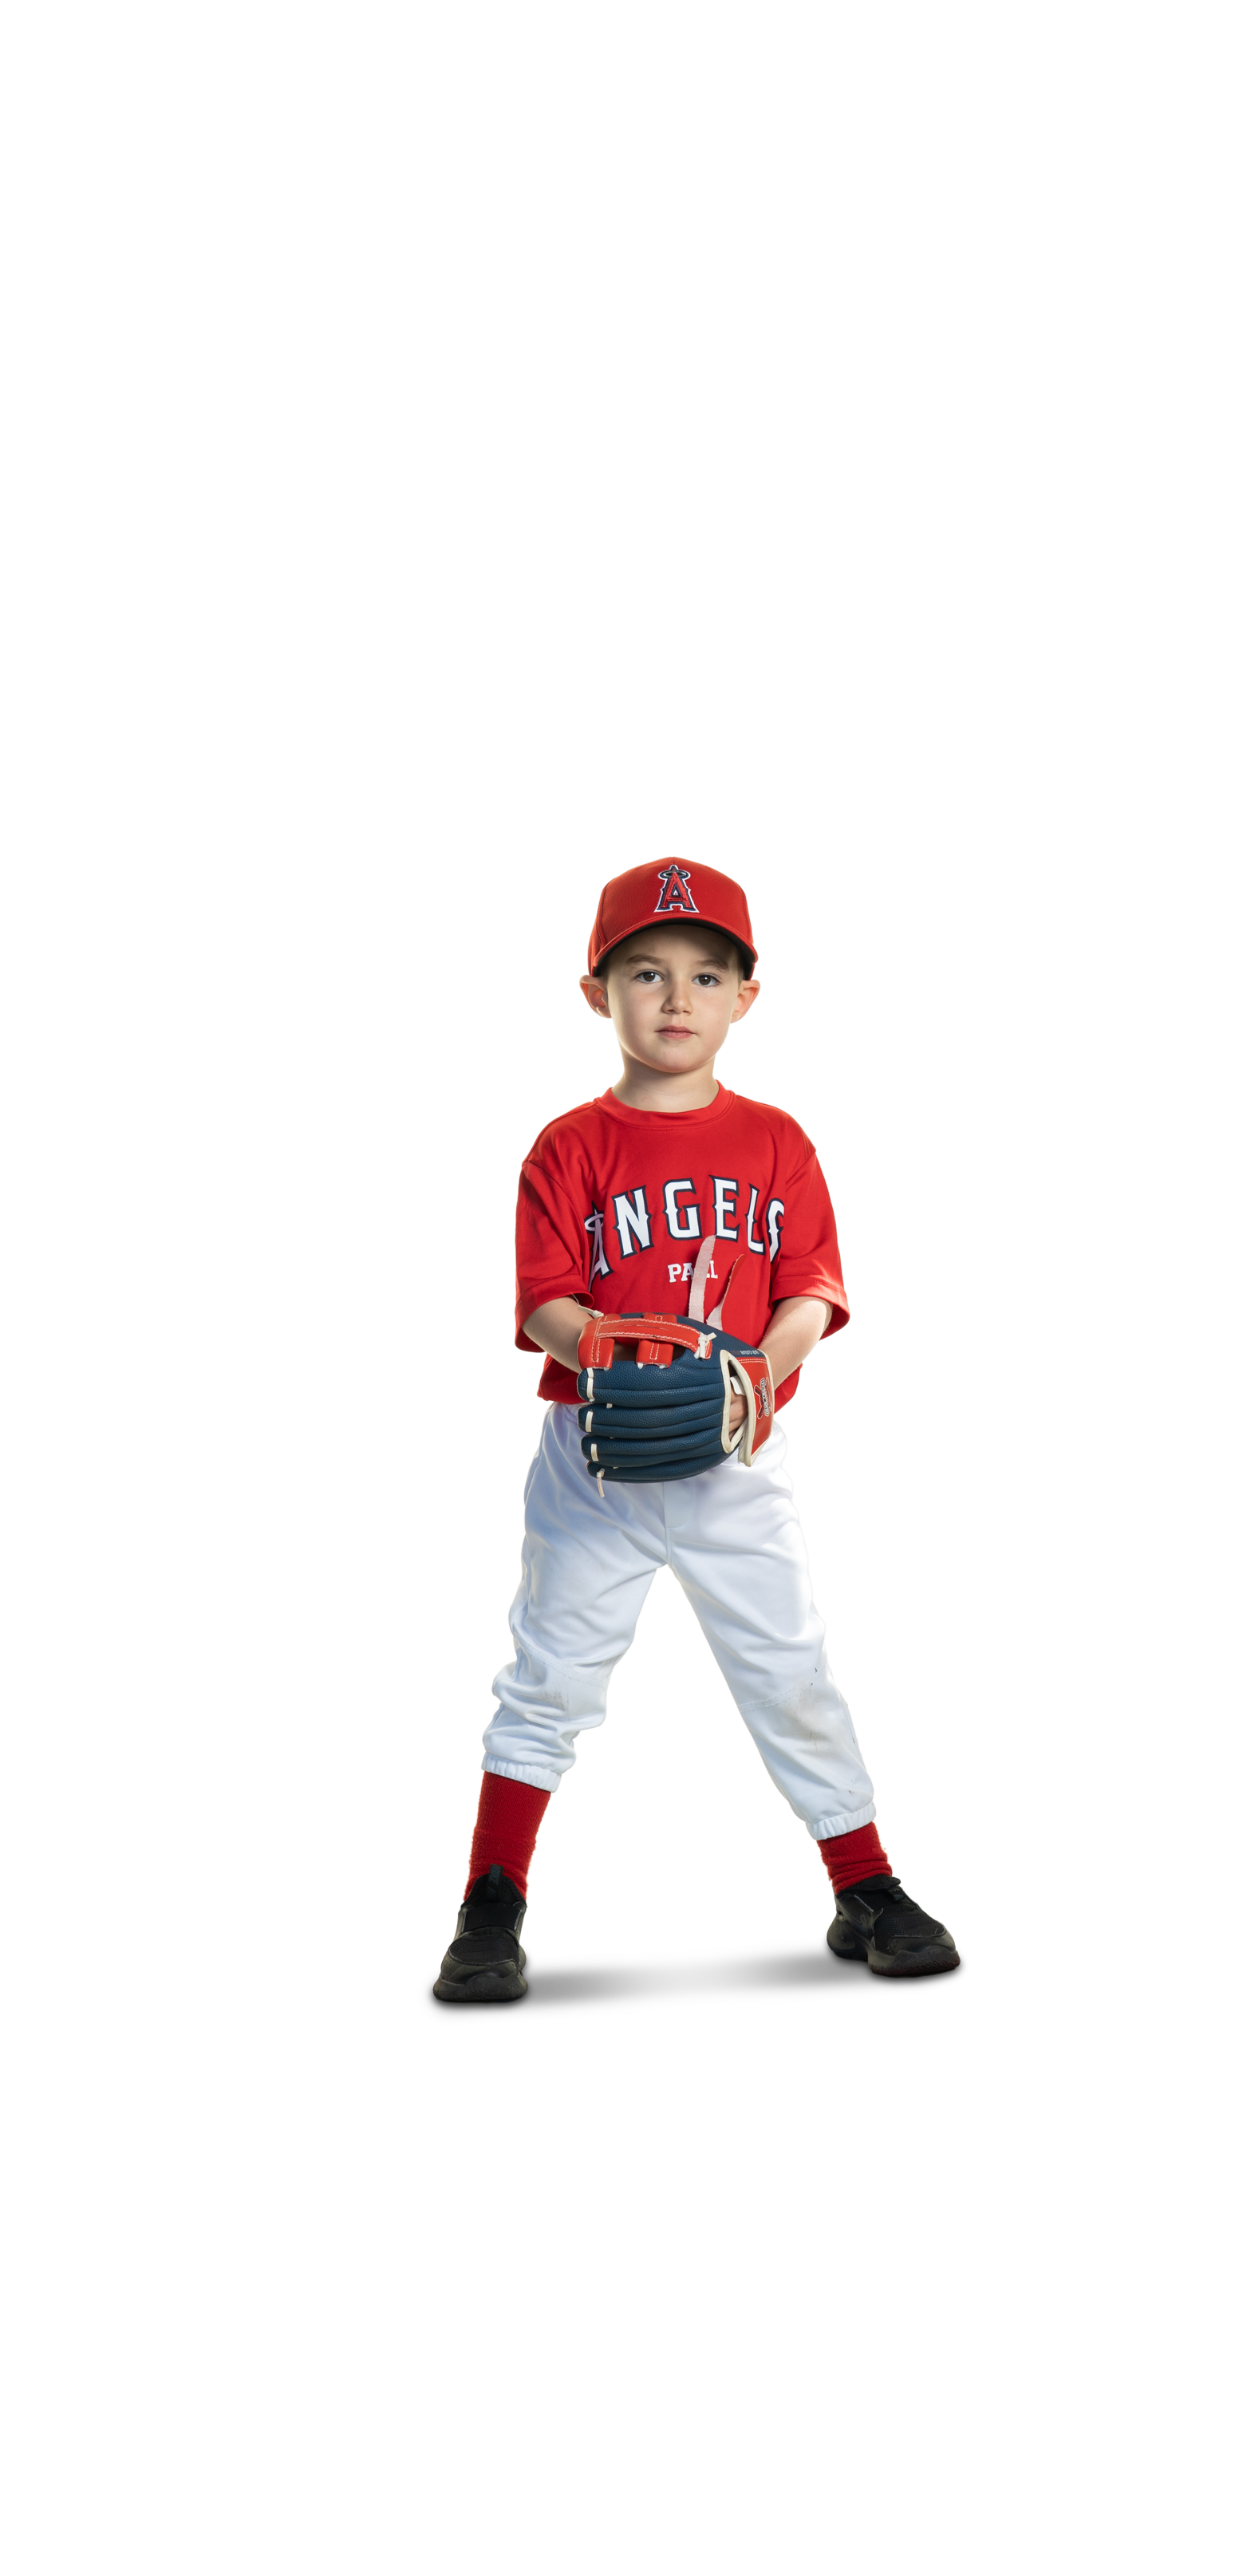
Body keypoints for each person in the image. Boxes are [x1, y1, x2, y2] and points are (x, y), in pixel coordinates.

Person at [433, 860, 960, 2001]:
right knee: (549, 1675)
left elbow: (811, 1289)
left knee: (790, 1665)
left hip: (736, 1459)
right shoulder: (566, 1144)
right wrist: (610, 1350)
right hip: (594, 1457)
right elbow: (543, 1301)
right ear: (596, 993)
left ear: (744, 998)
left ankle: (865, 1882)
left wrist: (753, 1376)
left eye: (706, 975)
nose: (677, 997)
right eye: (647, 972)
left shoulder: (778, 1139)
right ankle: (490, 1898)